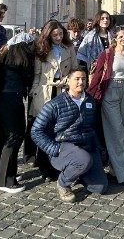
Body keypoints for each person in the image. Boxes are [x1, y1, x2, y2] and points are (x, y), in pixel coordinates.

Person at [30, 68, 108, 202]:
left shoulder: (90, 101)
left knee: (100, 187)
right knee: (83, 160)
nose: (80, 82)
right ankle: (63, 183)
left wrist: (99, 148)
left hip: (86, 147)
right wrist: (55, 148)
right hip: (64, 148)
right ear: (68, 81)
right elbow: (36, 131)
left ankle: (80, 173)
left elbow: (93, 127)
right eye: (76, 79)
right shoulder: (54, 104)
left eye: (83, 79)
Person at [25, 20, 79, 177]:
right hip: (44, 91)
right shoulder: (41, 49)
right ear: (48, 35)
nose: (58, 37)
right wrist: (34, 92)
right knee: (44, 129)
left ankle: (58, 164)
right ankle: (44, 165)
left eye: (61, 34)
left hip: (62, 90)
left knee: (60, 128)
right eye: (55, 34)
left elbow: (75, 69)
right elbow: (37, 74)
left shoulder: (68, 48)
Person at [86, 27, 124, 185]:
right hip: (110, 91)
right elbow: (97, 76)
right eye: (120, 36)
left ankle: (116, 169)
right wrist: (89, 95)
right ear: (115, 38)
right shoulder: (107, 54)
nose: (123, 38)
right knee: (116, 131)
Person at [0, 33, 35, 193]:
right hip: (12, 99)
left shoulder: (2, 56)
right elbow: (29, 78)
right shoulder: (21, 58)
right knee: (14, 136)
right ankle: (6, 181)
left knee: (3, 138)